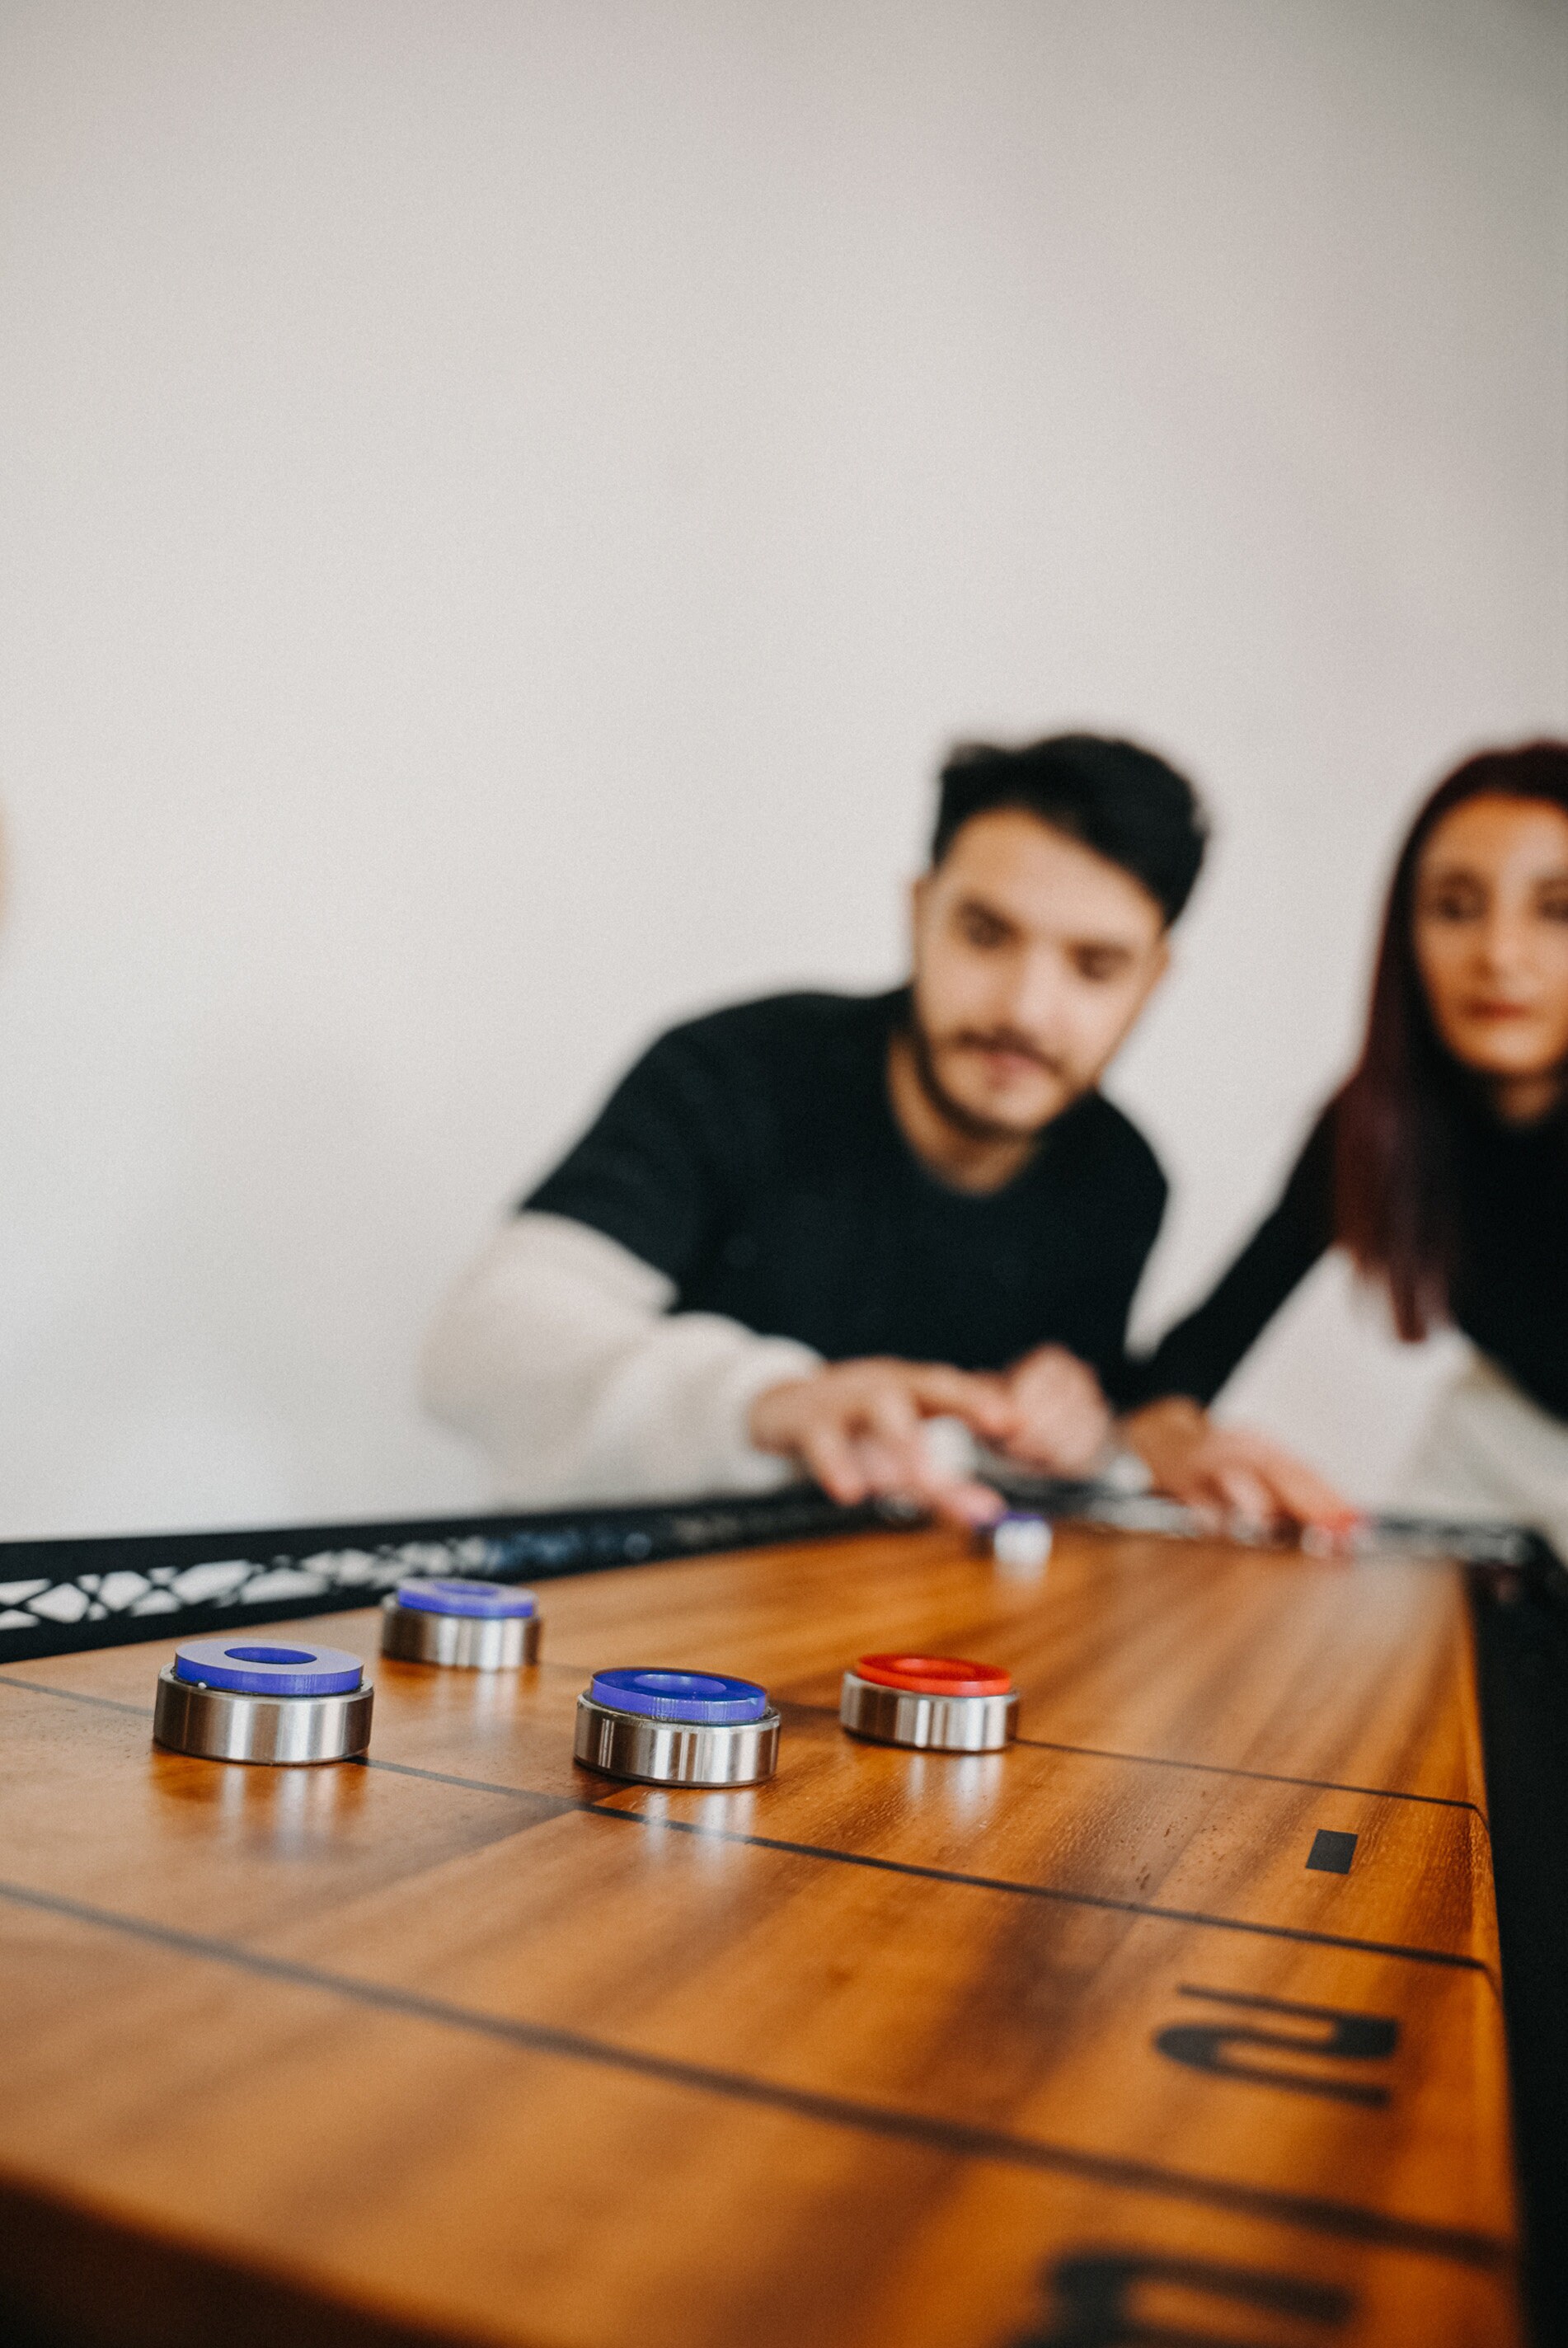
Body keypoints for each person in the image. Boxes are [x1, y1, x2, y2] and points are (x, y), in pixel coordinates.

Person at [423, 733, 1208, 1521]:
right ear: (918, 911)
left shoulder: (1123, 1182)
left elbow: (1012, 1491)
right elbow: (477, 1350)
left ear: (1154, 980)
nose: (1026, 1009)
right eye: (984, 934)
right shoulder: (732, 1072)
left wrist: (1079, 1440)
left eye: (1095, 967)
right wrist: (768, 1403)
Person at [1120, 740, 1568, 1557]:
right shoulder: (1376, 1122)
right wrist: (1184, 1442)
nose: (1500, 954)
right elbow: (1196, 1354)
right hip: (1501, 1441)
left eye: (1557, 910)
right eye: (1456, 906)